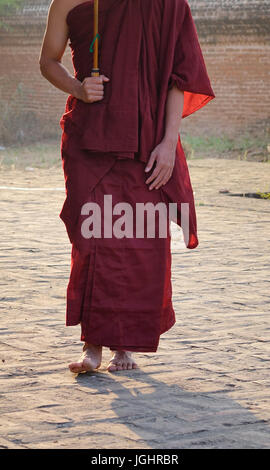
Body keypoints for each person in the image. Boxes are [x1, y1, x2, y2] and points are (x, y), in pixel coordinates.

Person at [39, 0, 215, 373]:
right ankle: (93, 345)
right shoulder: (68, 1)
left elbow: (178, 78)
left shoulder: (166, 5)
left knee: (140, 239)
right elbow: (48, 60)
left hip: (146, 140)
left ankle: (126, 347)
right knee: (92, 239)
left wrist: (168, 143)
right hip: (91, 137)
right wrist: (78, 87)